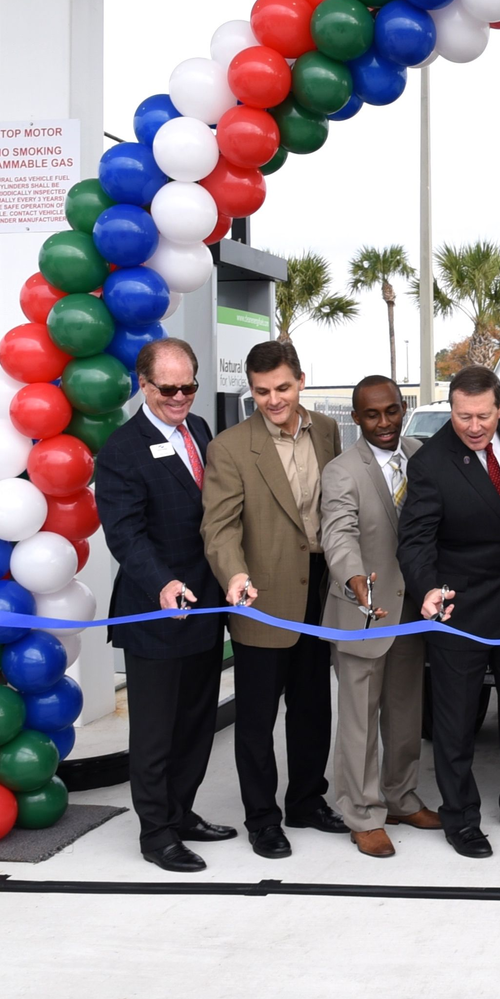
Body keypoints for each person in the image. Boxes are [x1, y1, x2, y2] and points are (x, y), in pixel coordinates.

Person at [398, 364, 500, 858]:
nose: (473, 426)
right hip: (459, 608)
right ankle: (461, 817)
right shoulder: (429, 463)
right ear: (451, 409)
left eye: (482, 416)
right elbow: (416, 539)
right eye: (463, 416)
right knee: (457, 721)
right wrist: (426, 589)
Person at [93, 337, 233, 873]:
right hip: (156, 613)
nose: (179, 397)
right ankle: (157, 834)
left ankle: (183, 813)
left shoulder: (199, 431)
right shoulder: (122, 450)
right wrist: (162, 583)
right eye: (167, 388)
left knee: (197, 723)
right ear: (144, 385)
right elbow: (125, 536)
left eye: (188, 386)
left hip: (204, 607)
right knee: (155, 732)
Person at [201, 340, 345, 858]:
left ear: (301, 381)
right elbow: (219, 529)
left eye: (282, 388)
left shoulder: (327, 431)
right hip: (260, 596)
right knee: (257, 719)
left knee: (312, 708)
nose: (273, 400)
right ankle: (262, 819)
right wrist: (234, 576)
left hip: (320, 590)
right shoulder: (231, 447)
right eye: (262, 391)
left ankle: (307, 801)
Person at [316, 375, 441, 858]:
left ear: (402, 407)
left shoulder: (420, 453)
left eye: (391, 411)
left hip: (412, 610)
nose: (385, 422)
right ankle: (362, 814)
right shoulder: (341, 471)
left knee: (407, 715)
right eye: (372, 414)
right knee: (359, 722)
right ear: (356, 418)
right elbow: (339, 533)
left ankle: (401, 798)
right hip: (363, 609)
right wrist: (353, 579)